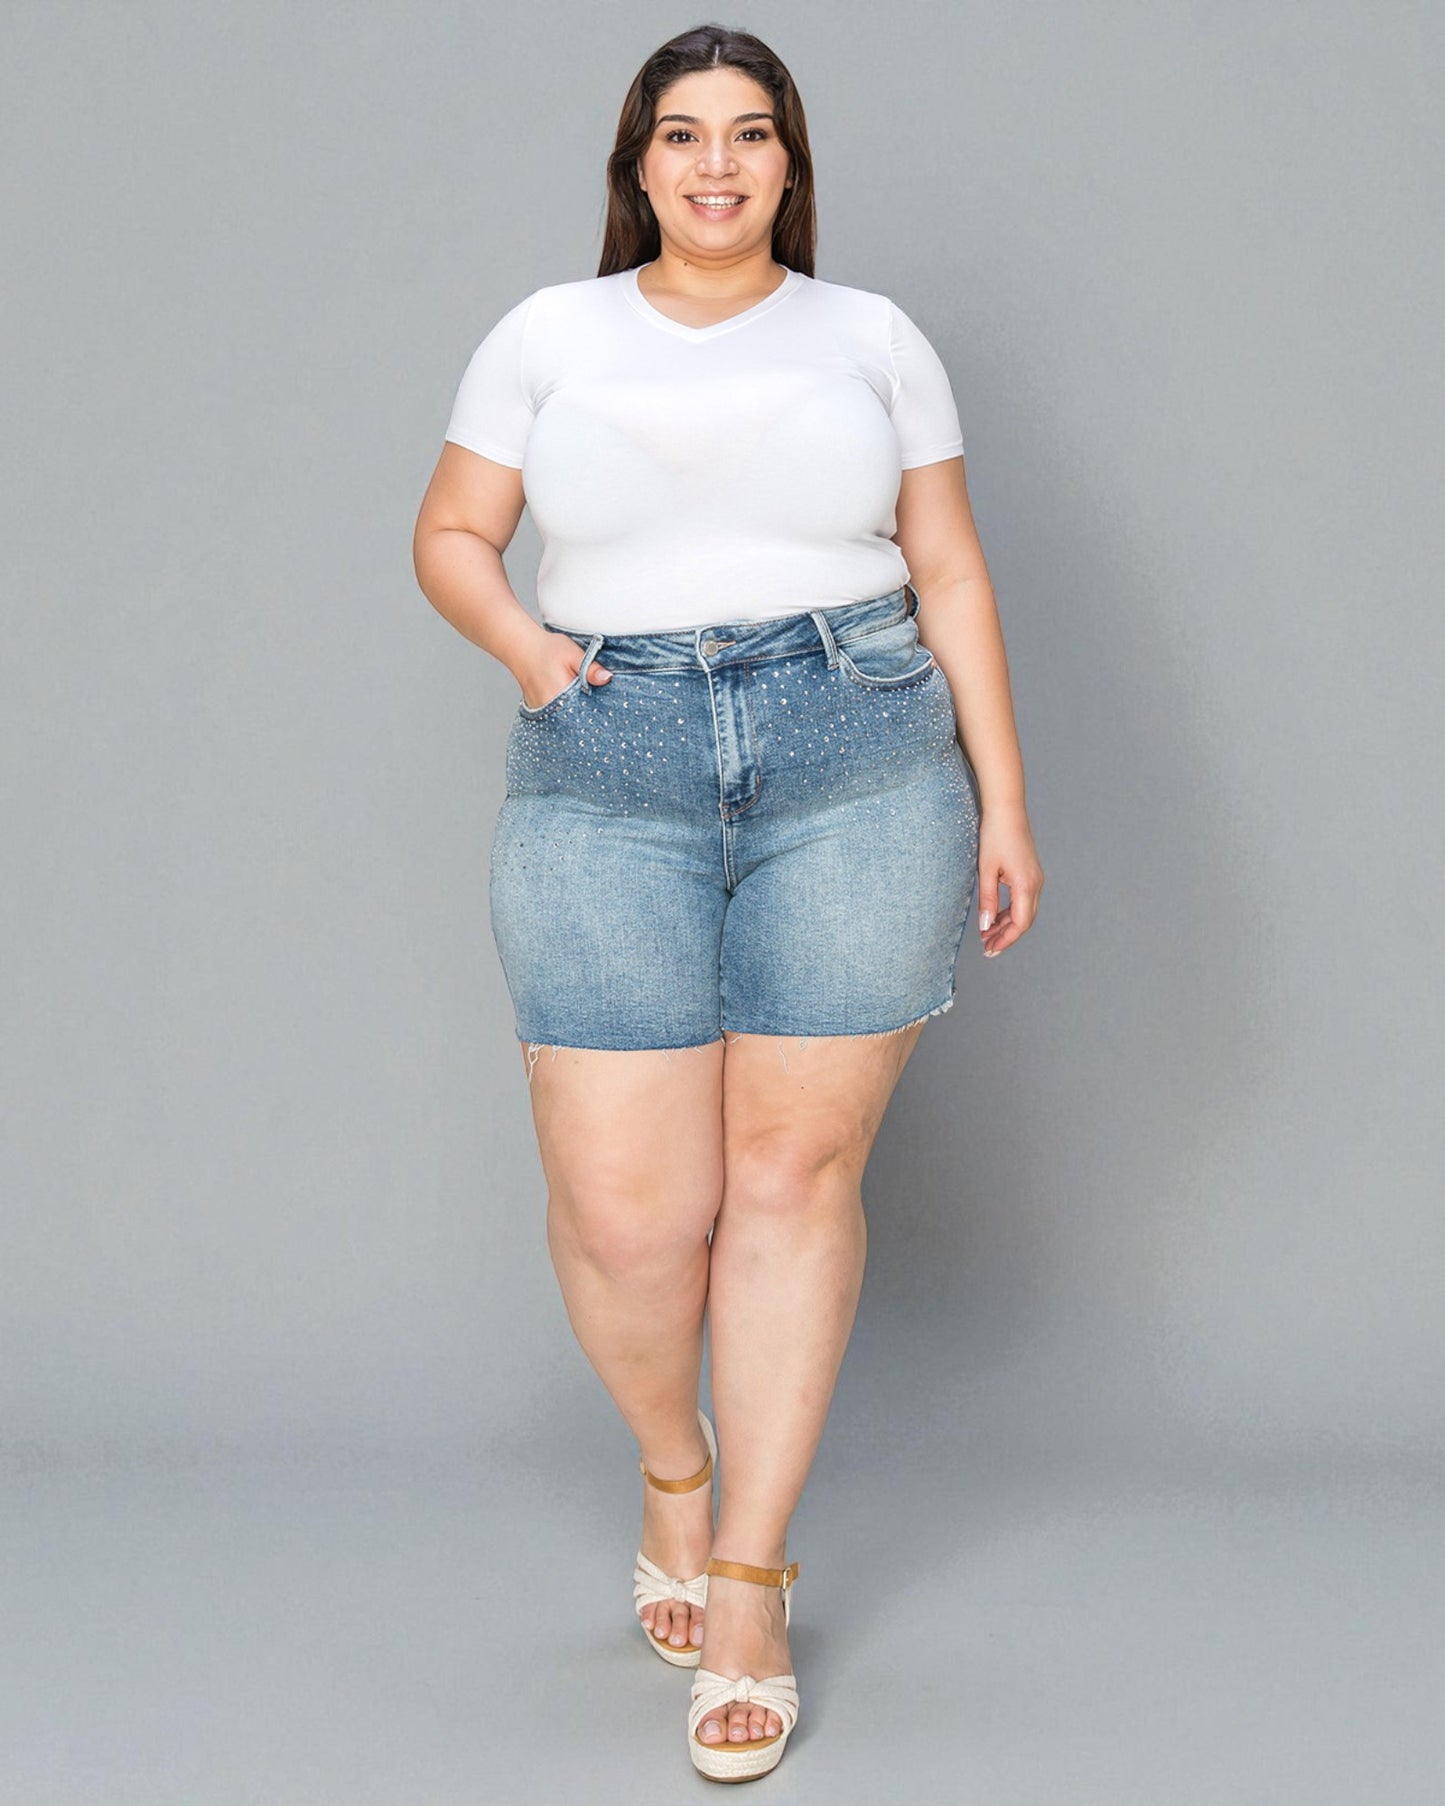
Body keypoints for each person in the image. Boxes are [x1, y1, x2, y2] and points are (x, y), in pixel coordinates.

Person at [413, 22, 1043, 1784]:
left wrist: (1002, 795)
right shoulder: (547, 335)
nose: (714, 166)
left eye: (747, 135)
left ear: (787, 162)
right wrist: (533, 655)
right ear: (636, 165)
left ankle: (751, 1573)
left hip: (859, 749)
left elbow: (950, 564)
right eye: (680, 136)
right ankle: (671, 1469)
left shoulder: (872, 339)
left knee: (790, 1176)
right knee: (630, 1215)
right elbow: (450, 533)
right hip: (604, 760)